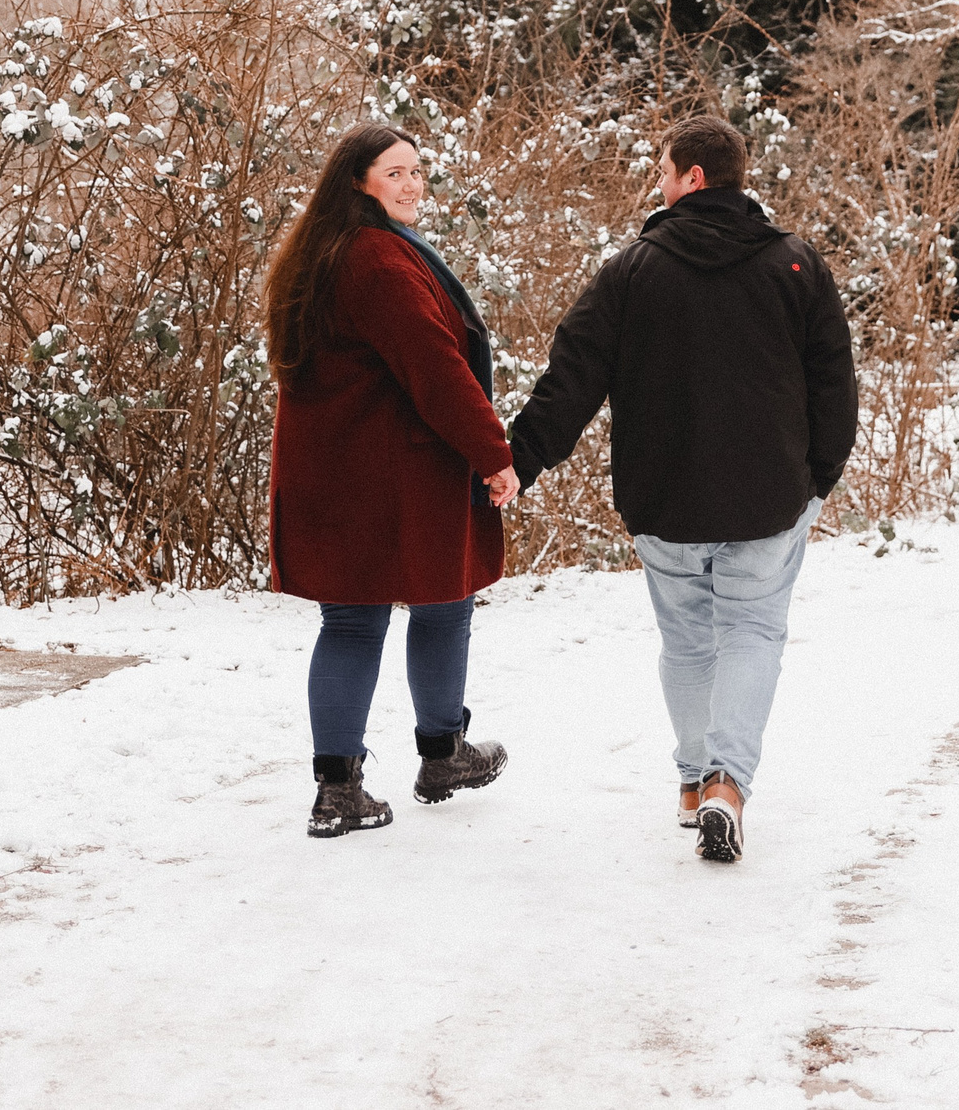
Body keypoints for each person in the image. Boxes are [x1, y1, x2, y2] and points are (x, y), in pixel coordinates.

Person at [507, 115, 855, 864]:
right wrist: (815, 481)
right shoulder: (797, 264)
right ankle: (728, 782)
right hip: (768, 499)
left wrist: (517, 460)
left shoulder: (631, 270)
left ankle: (696, 782)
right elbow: (836, 388)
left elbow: (573, 378)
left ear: (692, 176)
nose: (658, 183)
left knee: (688, 637)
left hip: (663, 498)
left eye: (664, 170)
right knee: (753, 631)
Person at [265, 122, 520, 839]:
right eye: (395, 172)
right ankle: (422, 760)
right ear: (358, 181)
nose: (412, 184)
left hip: (345, 468)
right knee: (433, 601)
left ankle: (367, 777)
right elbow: (436, 369)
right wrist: (492, 451)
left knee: (377, 613)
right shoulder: (377, 260)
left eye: (416, 170)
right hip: (395, 471)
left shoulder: (325, 252)